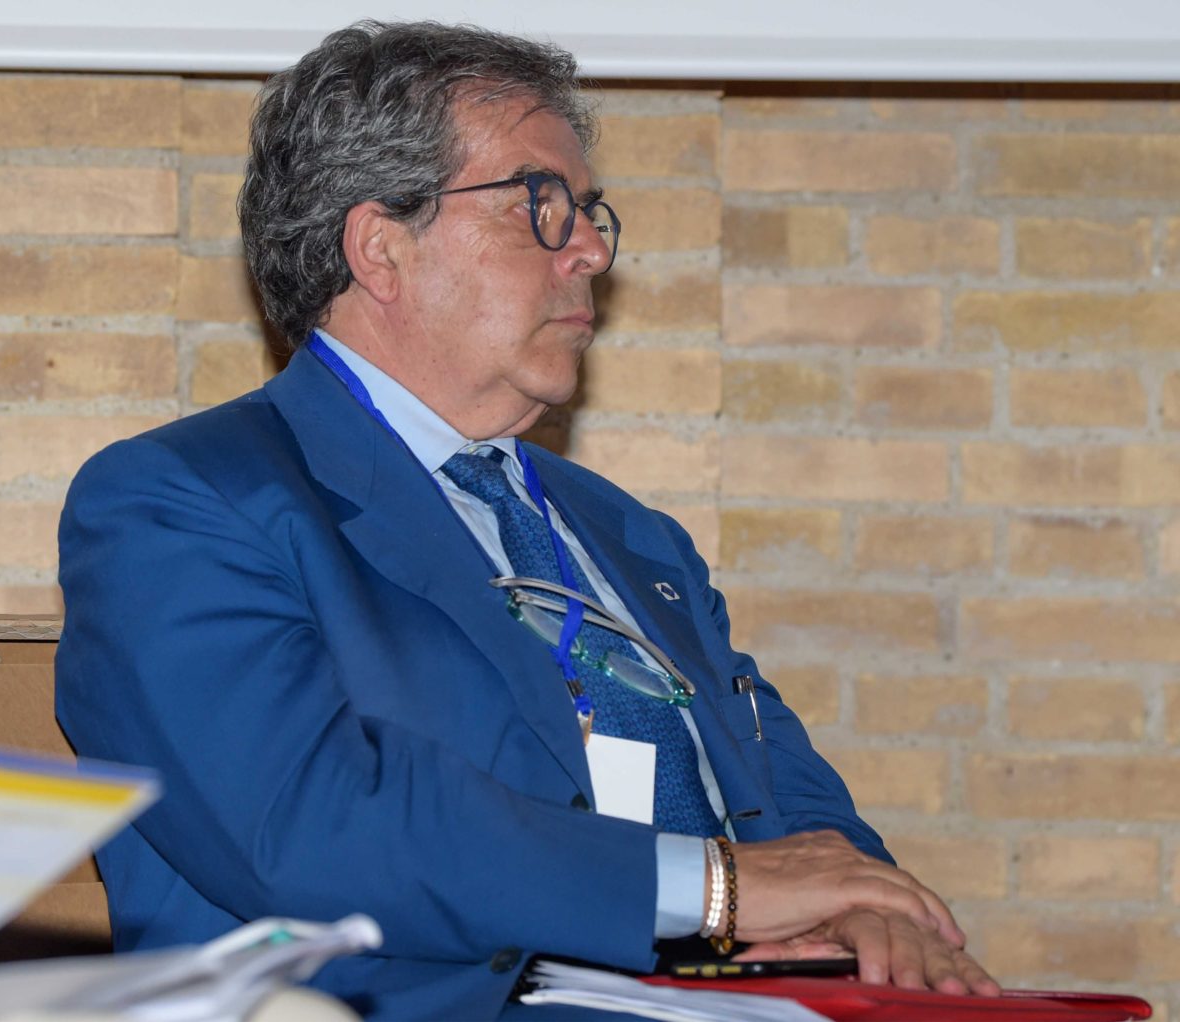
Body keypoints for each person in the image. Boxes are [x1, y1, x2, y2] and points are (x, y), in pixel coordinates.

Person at [55, 20, 997, 1021]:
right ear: (381, 247)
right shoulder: (185, 502)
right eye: (538, 205)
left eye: (587, 211)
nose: (589, 249)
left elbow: (785, 792)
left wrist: (865, 904)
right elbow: (312, 823)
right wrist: (714, 886)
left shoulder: (630, 535)